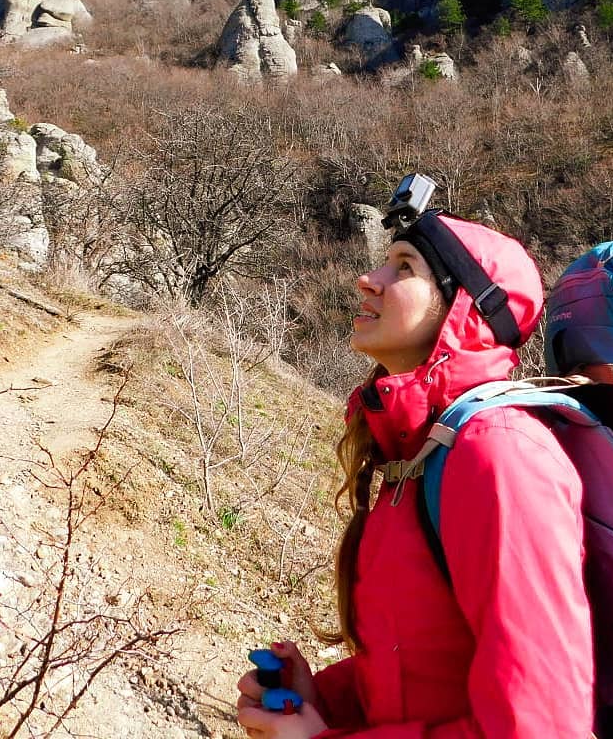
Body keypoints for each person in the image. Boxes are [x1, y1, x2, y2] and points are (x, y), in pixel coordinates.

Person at [236, 212, 594, 738]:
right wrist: (329, 702)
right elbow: (423, 669)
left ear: (464, 311)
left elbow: (539, 725)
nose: (368, 279)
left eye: (403, 266)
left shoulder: (497, 455)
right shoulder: (416, 454)